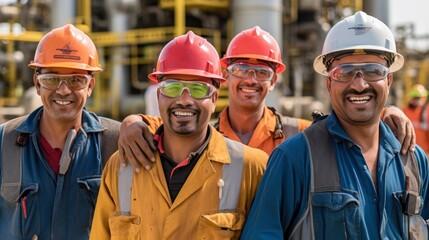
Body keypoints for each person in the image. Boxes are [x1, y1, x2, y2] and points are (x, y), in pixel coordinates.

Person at [118, 26, 416, 172]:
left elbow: (347, 125)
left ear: (274, 80)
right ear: (226, 76)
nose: (250, 79)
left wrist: (386, 114)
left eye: (261, 72)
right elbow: (160, 128)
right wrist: (132, 121)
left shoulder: (299, 134)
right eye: (241, 69)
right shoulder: (202, 135)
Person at [241, 11, 429, 239]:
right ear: (328, 83)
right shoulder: (294, 159)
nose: (359, 85)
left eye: (373, 71)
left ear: (388, 81)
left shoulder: (414, 161)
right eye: (344, 72)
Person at [90, 31, 268, 239]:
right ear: (158, 95)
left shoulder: (251, 167)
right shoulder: (121, 167)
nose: (184, 100)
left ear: (214, 99)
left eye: (198, 89)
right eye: (173, 88)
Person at [0, 24, 121, 240]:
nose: (63, 90)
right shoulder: (4, 142)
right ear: (37, 84)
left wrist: (138, 121)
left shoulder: (116, 142)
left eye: (76, 80)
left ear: (90, 85)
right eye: (52, 79)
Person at [402, 83, 429, 154]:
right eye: (415, 97)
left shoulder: (427, 111)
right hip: (409, 149)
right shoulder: (405, 111)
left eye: (419, 98)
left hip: (424, 150)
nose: (416, 100)